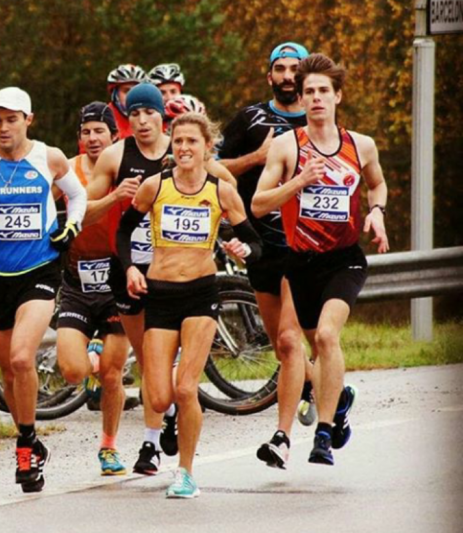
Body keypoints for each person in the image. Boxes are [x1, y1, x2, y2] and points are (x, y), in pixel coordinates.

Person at [0, 87, 87, 492]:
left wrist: (71, 226)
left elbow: (78, 197)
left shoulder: (50, 157)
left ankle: (24, 449)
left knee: (23, 359)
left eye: (12, 119)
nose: (3, 127)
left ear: (29, 119)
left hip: (39, 270)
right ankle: (31, 438)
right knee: (9, 371)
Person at [252, 53, 389, 466]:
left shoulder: (359, 145)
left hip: (344, 260)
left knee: (327, 337)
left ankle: (323, 434)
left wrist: (377, 212)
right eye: (308, 91)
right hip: (300, 264)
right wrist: (298, 182)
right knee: (301, 344)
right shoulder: (286, 145)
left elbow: (377, 185)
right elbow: (258, 204)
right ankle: (339, 402)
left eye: (322, 91)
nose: (314, 98)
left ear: (337, 96)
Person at [117, 112, 263, 498]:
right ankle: (169, 419)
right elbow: (122, 231)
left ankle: (185, 473)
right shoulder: (154, 186)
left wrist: (241, 248)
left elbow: (255, 243)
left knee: (185, 389)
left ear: (207, 148)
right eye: (178, 142)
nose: (183, 148)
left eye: (191, 142)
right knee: (160, 396)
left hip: (200, 294)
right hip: (160, 294)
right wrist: (131, 267)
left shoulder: (221, 191)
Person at [218, 42, 315, 469]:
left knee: (293, 341)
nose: (288, 75)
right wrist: (255, 158)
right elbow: (214, 168)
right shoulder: (250, 118)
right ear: (269, 75)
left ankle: (282, 438)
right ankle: (333, 389)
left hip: (302, 247)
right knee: (281, 346)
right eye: (281, 68)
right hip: (259, 244)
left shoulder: (319, 119)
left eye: (296, 68)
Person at [85, 83, 175, 475]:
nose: (141, 121)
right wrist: (114, 196)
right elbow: (81, 212)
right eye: (134, 113)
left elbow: (219, 185)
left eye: (149, 113)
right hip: (129, 269)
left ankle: (150, 446)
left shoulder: (182, 149)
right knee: (147, 359)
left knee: (158, 357)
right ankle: (168, 410)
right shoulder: (116, 155)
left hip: (175, 273)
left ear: (162, 115)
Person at [53, 102, 130, 476]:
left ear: (114, 135)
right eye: (86, 132)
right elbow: (47, 208)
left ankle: (109, 447)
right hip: (77, 281)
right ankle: (92, 353)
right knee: (72, 370)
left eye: (100, 130)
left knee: (112, 375)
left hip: (117, 278)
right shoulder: (65, 171)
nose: (93, 138)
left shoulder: (125, 168)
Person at [106, 64, 150, 140]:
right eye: (126, 91)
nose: (132, 95)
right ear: (115, 94)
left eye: (137, 90)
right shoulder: (103, 117)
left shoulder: (154, 114)